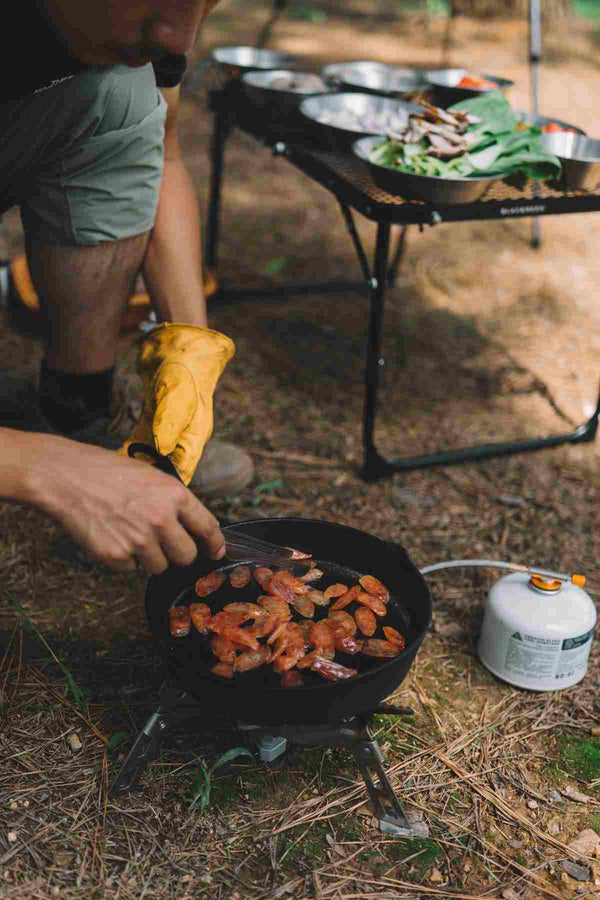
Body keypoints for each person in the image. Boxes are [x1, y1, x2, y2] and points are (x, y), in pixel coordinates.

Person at [0, 0, 254, 574]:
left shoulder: (158, 32)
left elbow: (159, 155)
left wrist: (191, 347)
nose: (179, 36)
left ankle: (75, 409)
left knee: (124, 98)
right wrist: (43, 469)